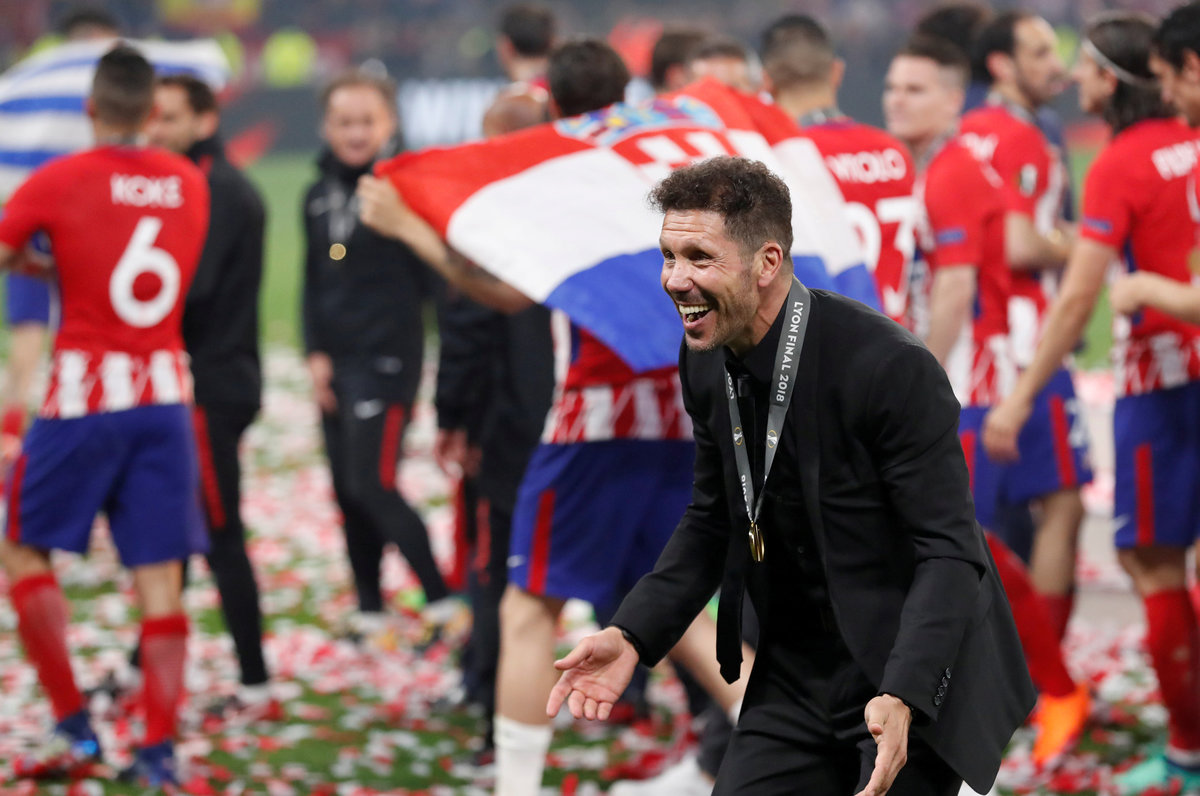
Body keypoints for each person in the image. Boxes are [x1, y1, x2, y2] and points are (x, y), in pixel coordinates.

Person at [548, 155, 1034, 796]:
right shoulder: (704, 359)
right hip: (795, 675)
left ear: (767, 262)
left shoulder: (888, 366)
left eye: (699, 258)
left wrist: (905, 694)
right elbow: (712, 519)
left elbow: (949, 551)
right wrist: (632, 634)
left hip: (905, 672)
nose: (675, 280)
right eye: (668, 256)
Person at [359, 39, 753, 796]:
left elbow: (506, 292)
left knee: (528, 608)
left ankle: (516, 785)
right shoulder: (674, 164)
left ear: (555, 106)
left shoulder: (568, 169)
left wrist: (410, 229)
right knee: (669, 607)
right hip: (682, 415)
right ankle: (805, 747)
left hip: (595, 421)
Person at [983, 11, 1200, 793]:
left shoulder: (1120, 162)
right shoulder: (1191, 142)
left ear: (1114, 78)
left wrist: (1020, 396)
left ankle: (1188, 752)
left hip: (1161, 386)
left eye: (1086, 66)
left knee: (1152, 559)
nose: (1075, 76)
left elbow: (1077, 300)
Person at [0, 45, 210, 786]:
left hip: (84, 398)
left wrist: (33, 261)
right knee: (159, 579)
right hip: (164, 398)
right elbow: (130, 250)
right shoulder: (189, 183)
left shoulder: (59, 180)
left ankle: (74, 724)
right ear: (153, 113)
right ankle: (157, 750)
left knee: (21, 548)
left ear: (91, 110)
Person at [886, 34, 1090, 769]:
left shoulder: (954, 168)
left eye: (914, 90)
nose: (896, 101)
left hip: (980, 378)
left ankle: (1051, 686)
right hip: (984, 371)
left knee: (970, 540)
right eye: (892, 88)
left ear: (953, 99)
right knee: (986, 533)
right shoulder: (938, 164)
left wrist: (917, 383)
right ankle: (1031, 686)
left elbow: (957, 286)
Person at [301, 68, 459, 642]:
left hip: (388, 362)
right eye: (344, 121)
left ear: (390, 123)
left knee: (374, 483)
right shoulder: (317, 193)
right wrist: (315, 351)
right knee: (348, 490)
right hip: (337, 364)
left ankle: (442, 602)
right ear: (327, 126)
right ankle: (370, 609)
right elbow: (313, 279)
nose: (355, 132)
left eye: (367, 121)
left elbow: (440, 282)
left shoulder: (405, 190)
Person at [145, 73, 278, 723]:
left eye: (168, 117)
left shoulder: (216, 188)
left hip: (210, 389)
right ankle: (142, 665)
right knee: (177, 531)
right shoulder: (198, 182)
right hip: (204, 383)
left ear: (204, 120)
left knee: (219, 535)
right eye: (151, 117)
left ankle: (255, 683)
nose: (155, 129)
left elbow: (192, 290)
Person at [959, 11, 1088, 645]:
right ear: (1001, 65)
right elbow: (1016, 243)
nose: (1056, 66)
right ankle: (1043, 670)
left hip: (978, 346)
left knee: (984, 517)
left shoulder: (966, 132)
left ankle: (999, 665)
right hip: (1027, 341)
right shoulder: (1022, 135)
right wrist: (1081, 245)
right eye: (1039, 53)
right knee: (1063, 502)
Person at [0, 4, 121, 477]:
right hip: (71, 222)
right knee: (61, 336)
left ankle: (15, 438)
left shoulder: (34, 76)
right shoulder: (96, 87)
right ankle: (31, 436)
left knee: (31, 337)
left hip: (31, 216)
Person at [760, 13, 917, 326]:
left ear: (766, 82)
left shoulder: (780, 160)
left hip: (825, 338)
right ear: (836, 72)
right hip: (898, 337)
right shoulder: (895, 152)